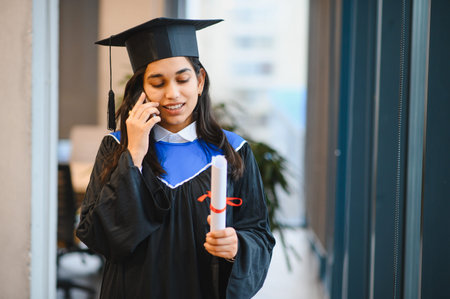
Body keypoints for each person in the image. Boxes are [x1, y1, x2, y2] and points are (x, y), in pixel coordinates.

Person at [76, 17, 275, 299]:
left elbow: (258, 232)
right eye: (157, 83)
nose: (172, 94)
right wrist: (134, 154)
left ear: (200, 81)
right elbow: (97, 235)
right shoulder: (116, 147)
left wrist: (238, 246)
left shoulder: (233, 151)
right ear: (142, 90)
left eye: (182, 79)